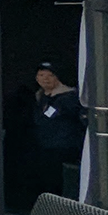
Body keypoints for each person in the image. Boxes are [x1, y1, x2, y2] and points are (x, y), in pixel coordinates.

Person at [30, 62, 85, 204]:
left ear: (57, 77)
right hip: (45, 145)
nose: (45, 79)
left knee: (59, 181)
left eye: (50, 75)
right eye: (41, 75)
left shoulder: (68, 97)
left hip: (62, 147)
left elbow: (47, 117)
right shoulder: (40, 96)